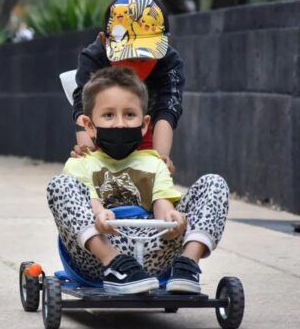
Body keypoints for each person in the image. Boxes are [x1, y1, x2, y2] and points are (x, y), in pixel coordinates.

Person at [47, 67, 229, 294]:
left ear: (144, 124)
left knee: (214, 183)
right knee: (60, 184)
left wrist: (171, 223)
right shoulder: (81, 163)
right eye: (109, 115)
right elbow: (90, 202)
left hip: (154, 254)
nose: (120, 124)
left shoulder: (153, 163)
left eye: (129, 115)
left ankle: (187, 265)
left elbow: (162, 203)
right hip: (97, 258)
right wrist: (99, 214)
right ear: (90, 125)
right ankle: (115, 264)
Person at [71, 0, 185, 175]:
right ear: (105, 41)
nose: (136, 69)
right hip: (104, 128)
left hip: (148, 126)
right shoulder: (94, 57)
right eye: (128, 58)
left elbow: (168, 108)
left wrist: (160, 162)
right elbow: (82, 105)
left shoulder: (168, 61)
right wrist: (87, 153)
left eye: (145, 59)